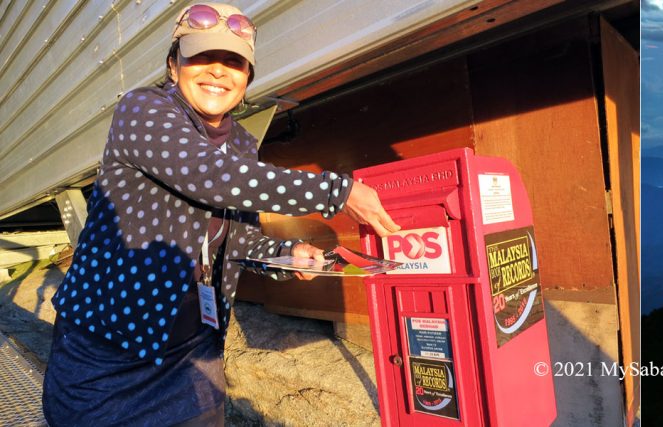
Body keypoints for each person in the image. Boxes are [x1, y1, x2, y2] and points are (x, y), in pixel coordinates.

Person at [41, 3, 400, 425]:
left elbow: (238, 238)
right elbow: (209, 176)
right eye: (202, 58)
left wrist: (286, 253)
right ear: (174, 66)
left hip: (193, 350)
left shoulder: (243, 144)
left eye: (234, 62)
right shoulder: (142, 110)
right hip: (109, 352)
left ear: (247, 79)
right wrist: (336, 191)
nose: (218, 71)